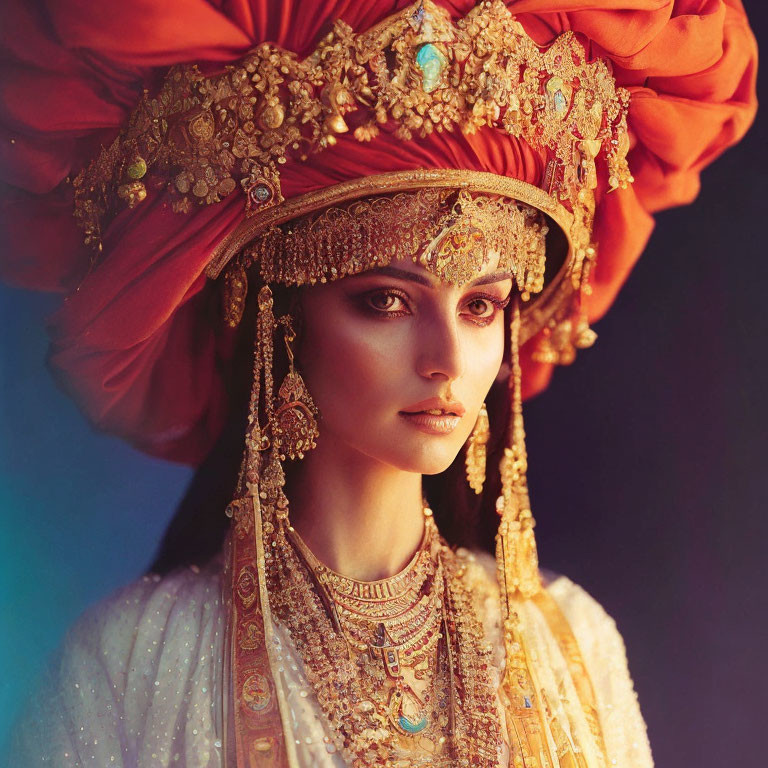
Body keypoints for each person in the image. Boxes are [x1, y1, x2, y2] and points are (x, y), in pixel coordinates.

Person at [0, 0, 756, 766]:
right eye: (386, 302)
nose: (447, 358)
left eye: (480, 306)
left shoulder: (571, 642)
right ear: (282, 312)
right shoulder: (135, 664)